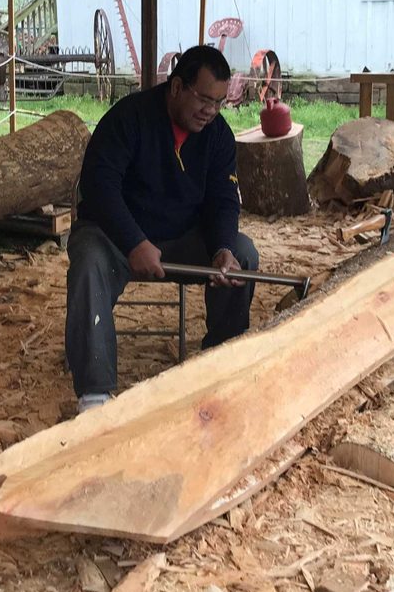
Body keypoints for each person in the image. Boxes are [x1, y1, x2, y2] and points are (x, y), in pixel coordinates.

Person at [65, 45, 259, 413]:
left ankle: (222, 364)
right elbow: (99, 185)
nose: (210, 111)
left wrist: (221, 247)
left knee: (244, 254)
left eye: (219, 102)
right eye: (203, 99)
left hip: (181, 236)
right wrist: (134, 241)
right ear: (176, 87)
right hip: (115, 235)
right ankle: (94, 396)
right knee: (88, 261)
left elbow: (223, 198)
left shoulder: (218, 135)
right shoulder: (129, 118)